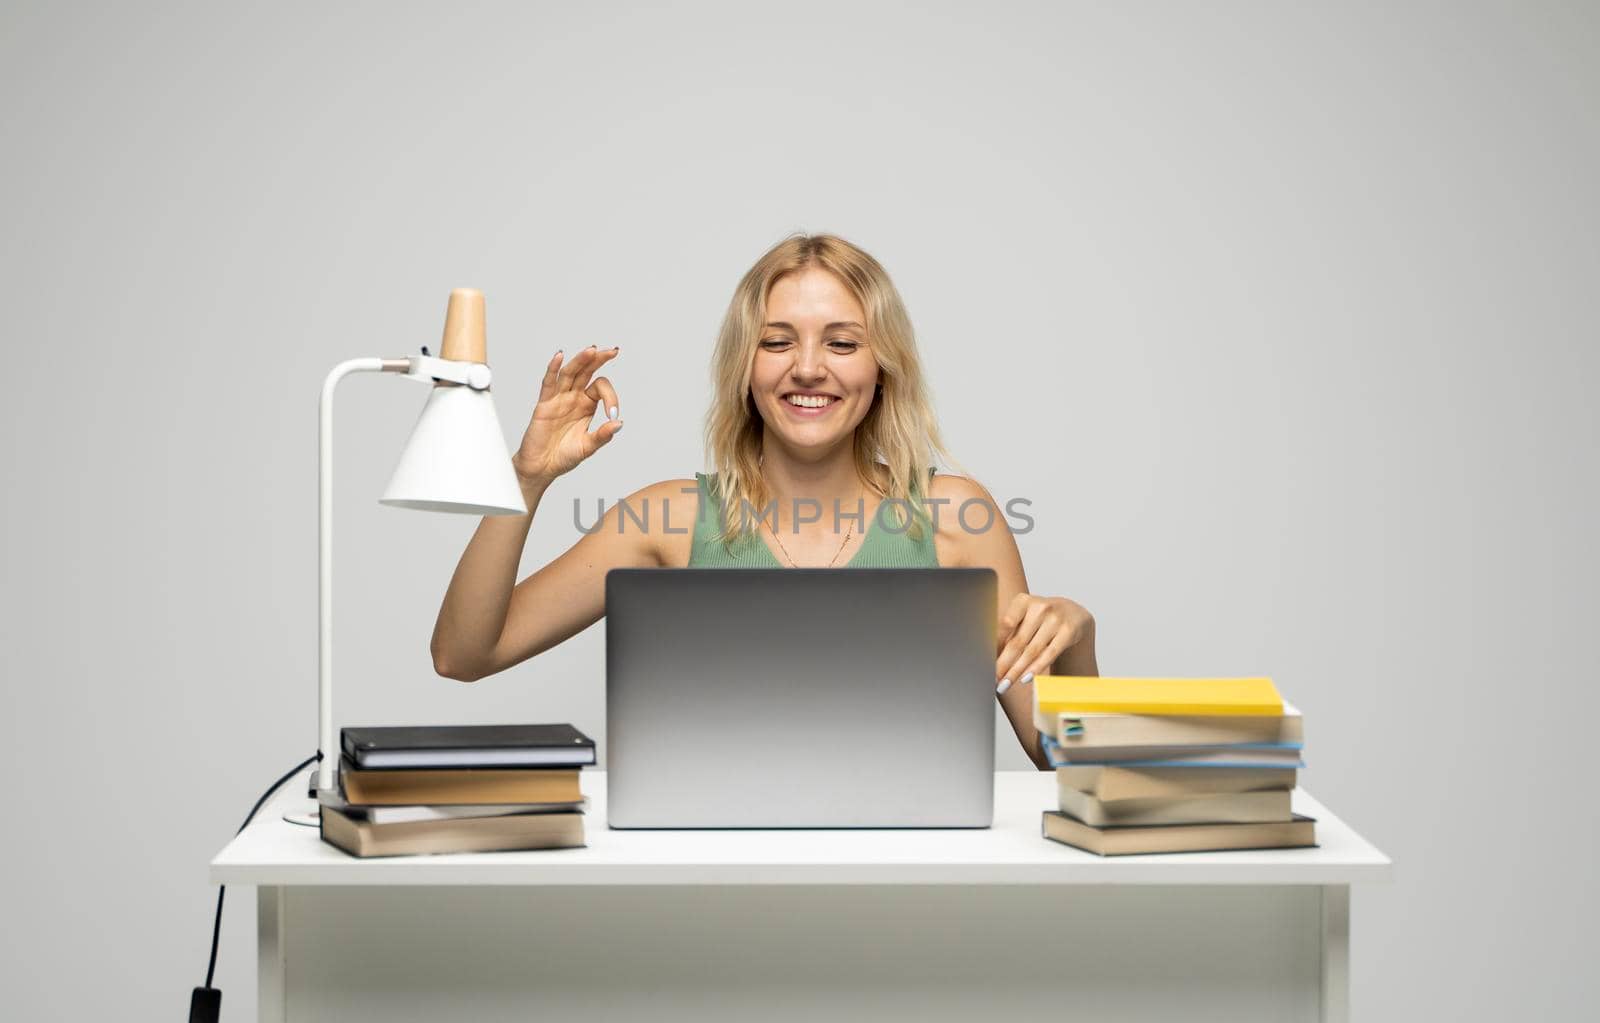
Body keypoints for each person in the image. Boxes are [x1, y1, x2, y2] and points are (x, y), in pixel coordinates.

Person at [430, 234, 1097, 769]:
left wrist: (1079, 635)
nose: (807, 367)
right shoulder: (667, 519)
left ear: (882, 368)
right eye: (777, 341)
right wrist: (526, 476)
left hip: (908, 881)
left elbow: (1063, 756)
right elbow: (463, 654)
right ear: (745, 369)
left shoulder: (958, 519)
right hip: (708, 882)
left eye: (842, 342)